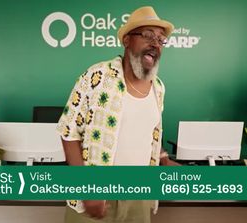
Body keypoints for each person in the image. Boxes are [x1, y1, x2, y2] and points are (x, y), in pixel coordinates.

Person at [56, 6, 179, 223]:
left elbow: (147, 131)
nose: (155, 44)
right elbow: (68, 132)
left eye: (161, 40)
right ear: (127, 40)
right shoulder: (97, 77)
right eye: (148, 35)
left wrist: (162, 158)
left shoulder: (158, 87)